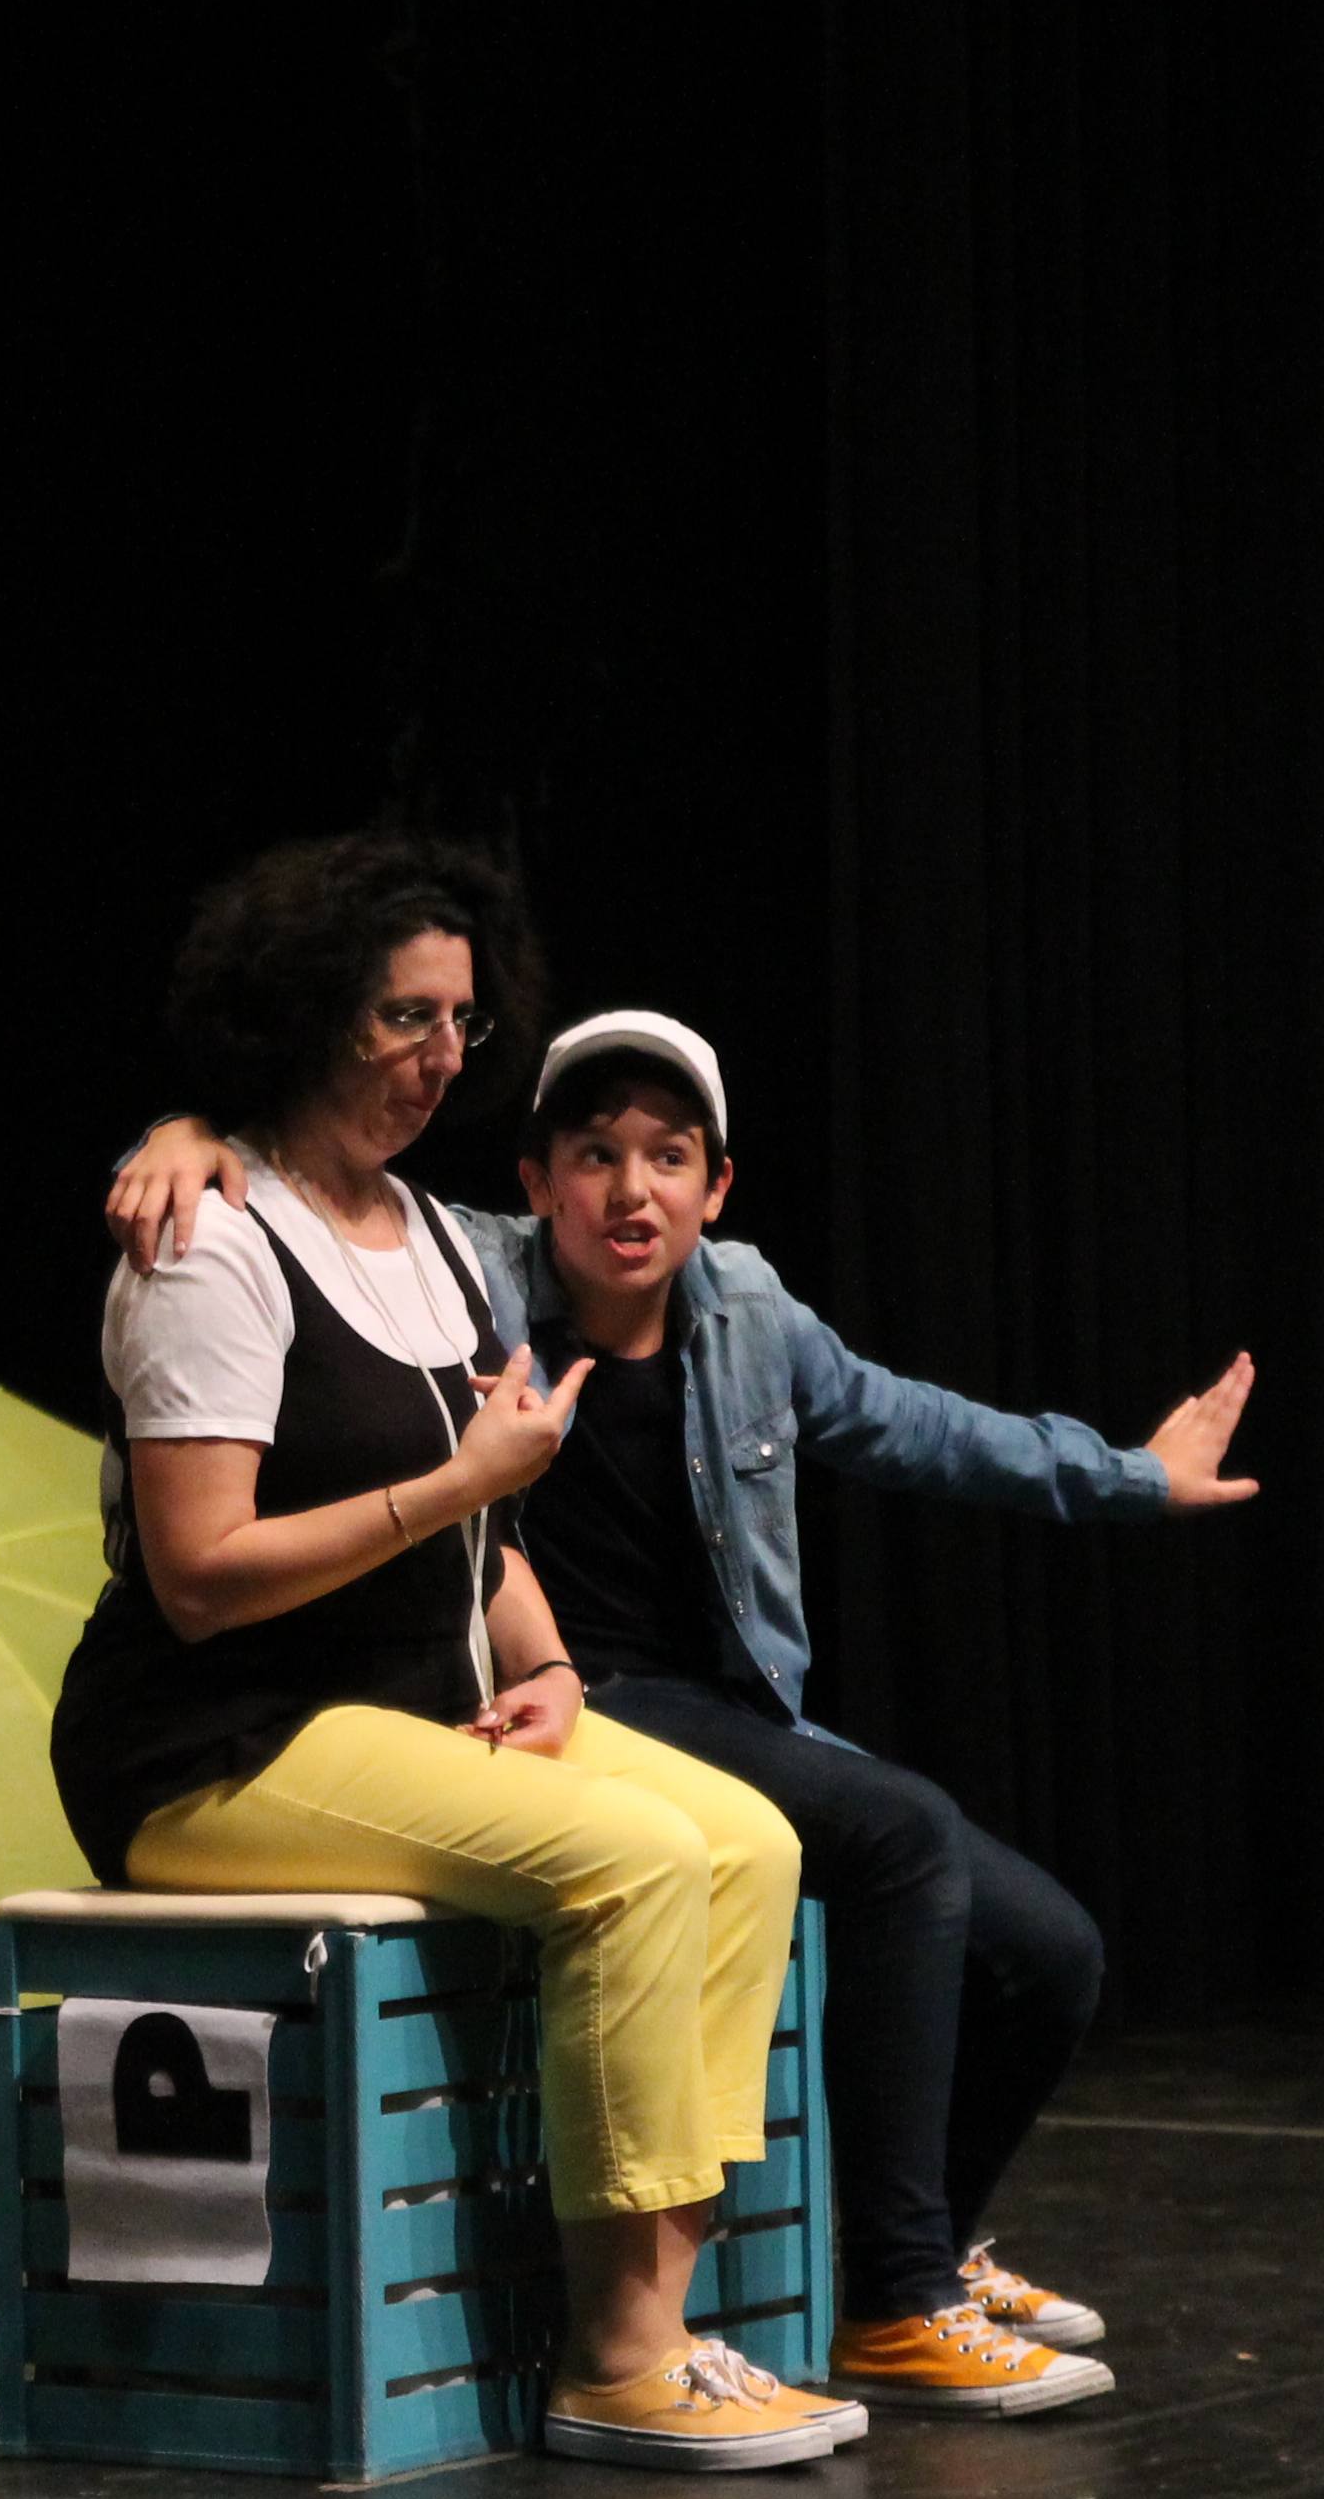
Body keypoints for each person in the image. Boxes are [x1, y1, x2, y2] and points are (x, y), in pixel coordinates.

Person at [109, 1007, 1260, 2417]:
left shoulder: (749, 1312)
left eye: (669, 1158)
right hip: (571, 1704)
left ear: (716, 1187)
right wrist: (186, 1134)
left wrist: (1132, 1476)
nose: (631, 1190)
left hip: (726, 1705)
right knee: (900, 1838)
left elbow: (921, 1427)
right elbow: (306, 1190)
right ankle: (894, 2300)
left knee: (1051, 1952)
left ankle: (930, 2249)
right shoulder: (462, 1274)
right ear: (538, 1182)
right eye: (596, 1154)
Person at [52, 836, 860, 2474]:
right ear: (304, 1013)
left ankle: (664, 2307)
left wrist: (547, 1665)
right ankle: (615, 2356)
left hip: (406, 1710)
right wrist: (453, 1488)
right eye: (401, 1018)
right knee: (635, 1860)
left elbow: (491, 1525)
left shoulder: (430, 1234)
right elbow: (199, 1579)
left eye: (460, 1024)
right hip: (219, 1743)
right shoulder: (209, 1246)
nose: (439, 1058)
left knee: (749, 1839)